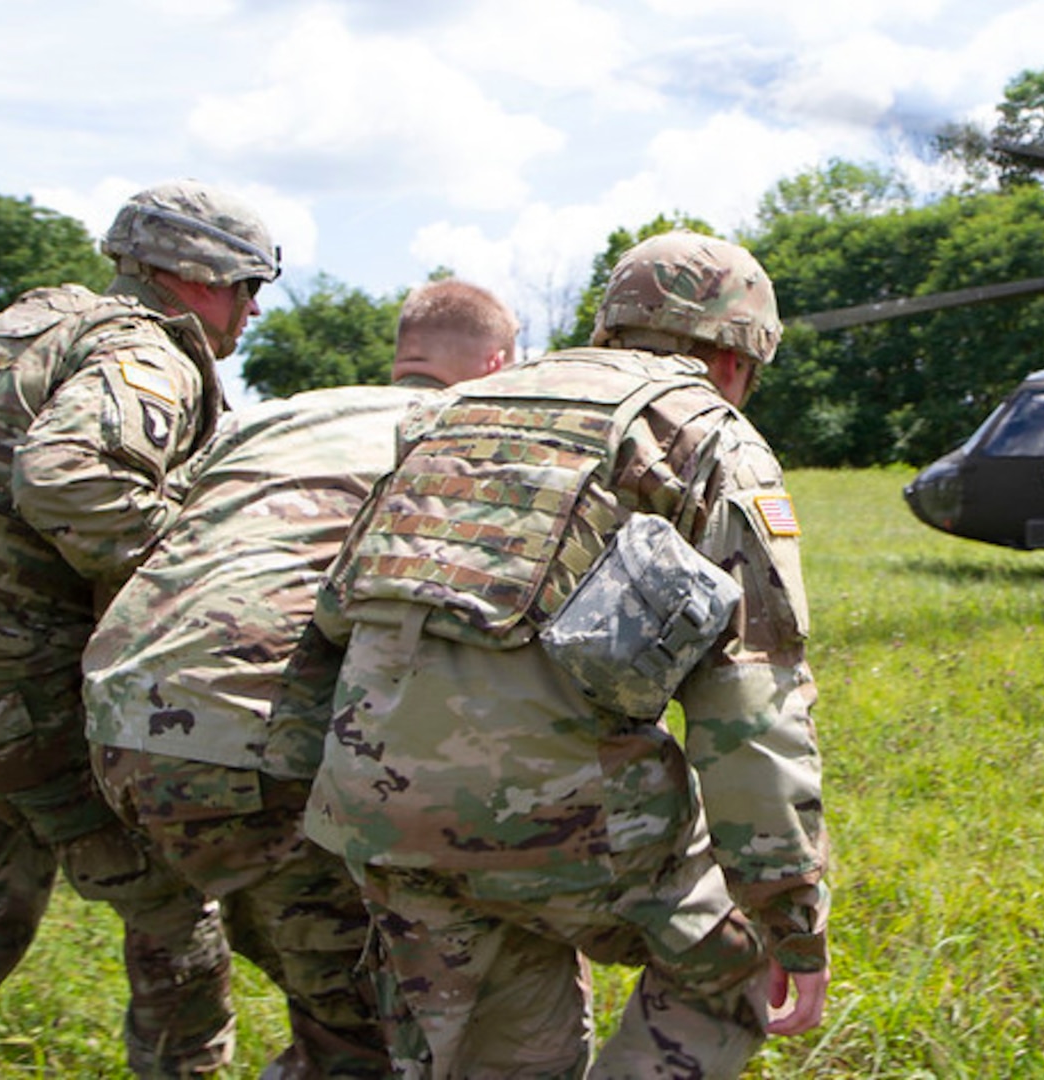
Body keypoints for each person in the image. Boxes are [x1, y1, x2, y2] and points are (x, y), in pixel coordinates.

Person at [302, 232, 829, 1078]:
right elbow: (752, 709)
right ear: (737, 360)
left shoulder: (456, 410)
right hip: (553, 817)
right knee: (729, 968)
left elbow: (336, 614)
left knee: (502, 1052)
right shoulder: (707, 435)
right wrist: (789, 918)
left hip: (371, 800)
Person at [0, 180, 278, 1078]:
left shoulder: (27, 324)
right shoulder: (152, 354)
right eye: (249, 283)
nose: (253, 308)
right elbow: (69, 478)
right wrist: (203, 570)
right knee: (176, 895)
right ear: (200, 273)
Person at [81, 278, 518, 1078]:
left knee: (333, 985)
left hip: (120, 723)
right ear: (498, 363)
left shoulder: (276, 416)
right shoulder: (461, 427)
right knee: (382, 1036)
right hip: (248, 749)